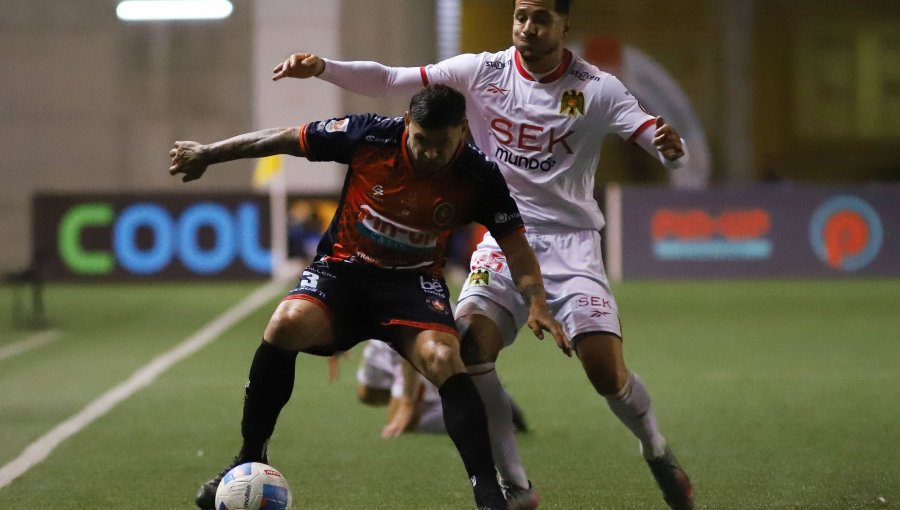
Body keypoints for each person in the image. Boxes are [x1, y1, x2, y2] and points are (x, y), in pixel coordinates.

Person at [270, 1, 695, 509]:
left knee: (605, 372)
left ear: (564, 25)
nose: (527, 28)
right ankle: (517, 488)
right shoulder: (481, 71)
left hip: (571, 245)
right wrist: (324, 68)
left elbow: (653, 135)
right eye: (520, 16)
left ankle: (656, 448)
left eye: (541, 18)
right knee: (471, 351)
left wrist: (671, 150)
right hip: (502, 239)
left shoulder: (596, 88)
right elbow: (388, 79)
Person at [169, 84, 570, 510]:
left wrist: (537, 300)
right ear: (407, 122)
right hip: (342, 274)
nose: (430, 153)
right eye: (422, 140)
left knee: (444, 358)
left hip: (413, 285)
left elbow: (515, 245)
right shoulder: (369, 136)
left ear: (463, 131)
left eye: (443, 144)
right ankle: (248, 458)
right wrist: (208, 153)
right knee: (285, 324)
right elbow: (283, 138)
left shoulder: (479, 175)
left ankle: (489, 495)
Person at [352, 340, 530, 437]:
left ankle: (483, 413)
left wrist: (407, 404)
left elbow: (408, 355)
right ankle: (480, 394)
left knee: (406, 424)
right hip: (420, 333)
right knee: (369, 394)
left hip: (430, 345)